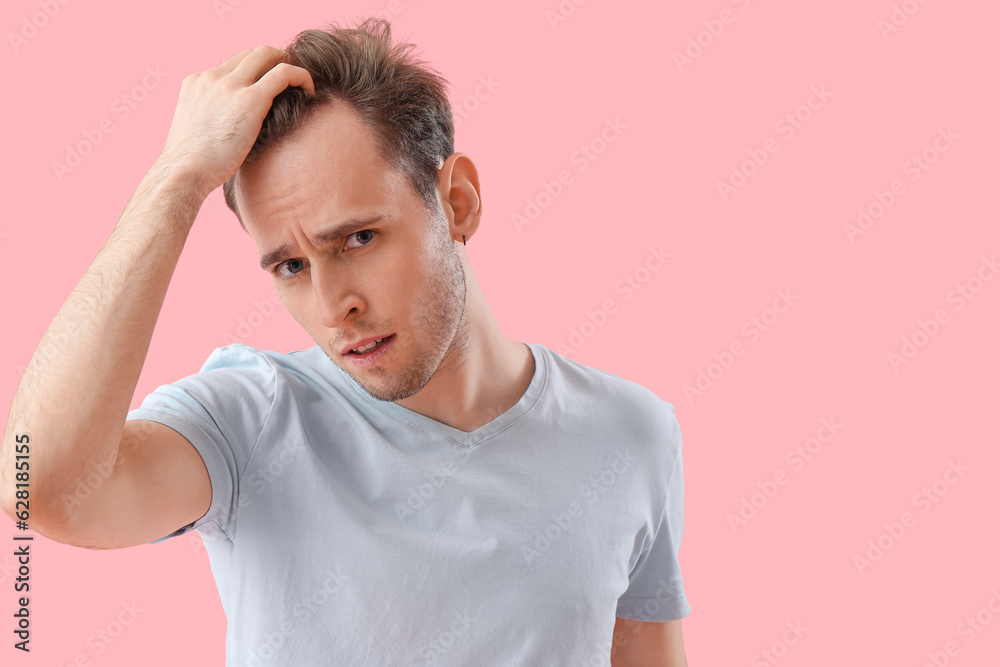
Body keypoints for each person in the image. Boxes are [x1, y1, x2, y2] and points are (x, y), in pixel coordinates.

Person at [0, 16, 690, 666]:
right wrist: (175, 178)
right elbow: (39, 485)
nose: (335, 307)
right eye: (291, 266)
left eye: (359, 238)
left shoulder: (631, 433)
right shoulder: (251, 422)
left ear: (457, 202)